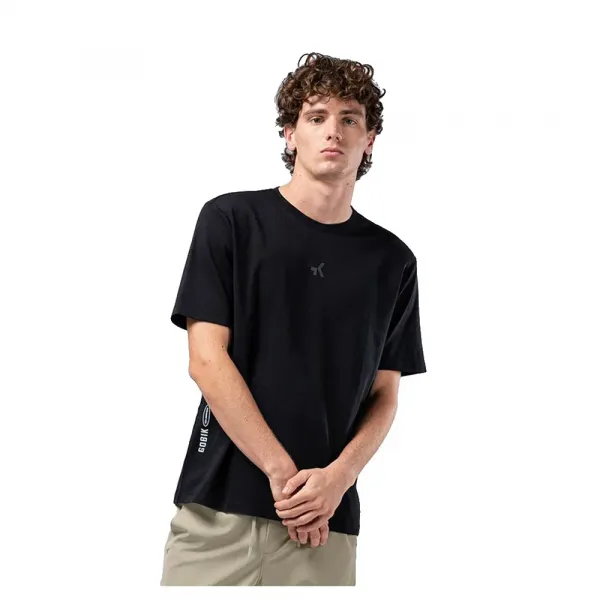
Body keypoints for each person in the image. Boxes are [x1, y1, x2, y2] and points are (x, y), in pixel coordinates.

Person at [159, 52, 427, 586]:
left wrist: (339, 479)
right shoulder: (231, 220)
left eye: (350, 119)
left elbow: (385, 395)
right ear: (290, 134)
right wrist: (283, 475)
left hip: (324, 527)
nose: (334, 131)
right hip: (219, 511)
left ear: (370, 140)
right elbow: (206, 360)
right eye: (316, 116)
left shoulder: (392, 260)